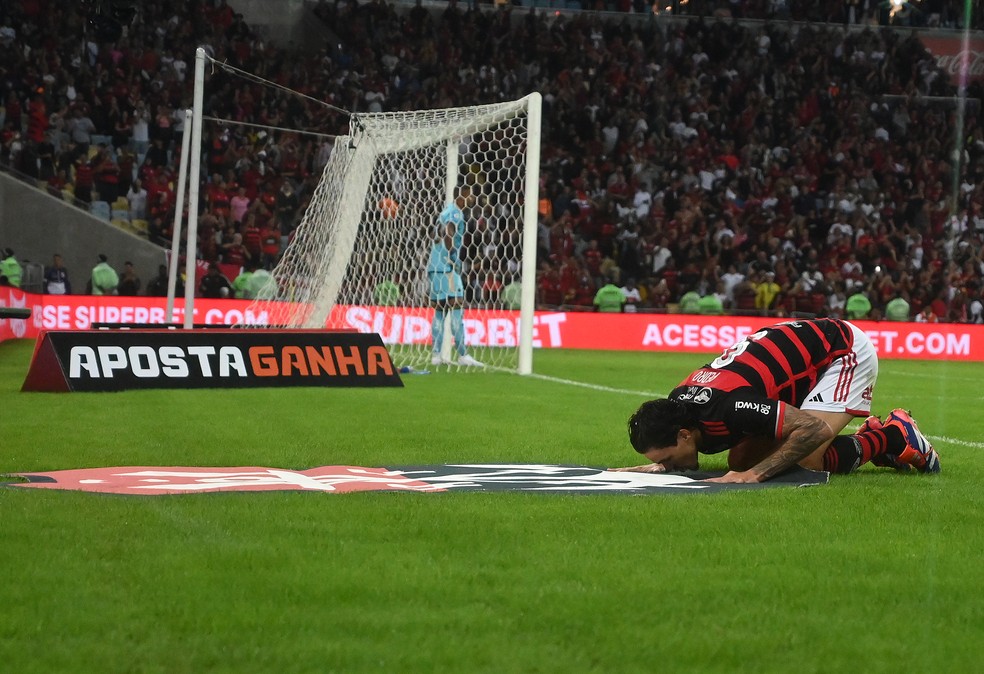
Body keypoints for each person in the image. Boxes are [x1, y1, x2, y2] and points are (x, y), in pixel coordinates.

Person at [617, 318, 940, 482]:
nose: (670, 466)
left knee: (807, 460)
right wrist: (660, 464)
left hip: (840, 351)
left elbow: (812, 428)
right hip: (795, 361)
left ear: (684, 434)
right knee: (740, 461)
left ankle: (893, 436)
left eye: (669, 458)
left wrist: (755, 476)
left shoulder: (729, 407)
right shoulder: (682, 407)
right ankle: (875, 438)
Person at [427, 202, 483, 367]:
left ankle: (436, 355)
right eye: (469, 194)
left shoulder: (443, 214)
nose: (472, 198)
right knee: (457, 305)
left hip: (435, 267)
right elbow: (449, 231)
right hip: (447, 268)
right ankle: (463, 354)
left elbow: (434, 233)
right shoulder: (455, 213)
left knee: (439, 310)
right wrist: (452, 255)